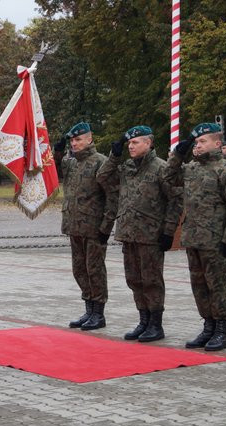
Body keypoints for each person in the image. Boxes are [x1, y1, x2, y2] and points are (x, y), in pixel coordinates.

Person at [97, 126, 183, 342]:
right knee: (134, 279)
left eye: (135, 142)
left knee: (152, 280)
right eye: (129, 143)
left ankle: (156, 324)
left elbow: (175, 200)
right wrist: (114, 157)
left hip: (151, 235)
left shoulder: (161, 168)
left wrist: (169, 231)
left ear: (149, 143)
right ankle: (143, 320)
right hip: (129, 233)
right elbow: (103, 177)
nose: (130, 146)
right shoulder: (127, 167)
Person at [165, 123, 226, 351]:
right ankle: (208, 326)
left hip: (215, 241)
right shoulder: (190, 168)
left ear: (217, 144)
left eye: (202, 141)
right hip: (193, 239)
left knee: (218, 286)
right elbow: (168, 178)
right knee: (199, 286)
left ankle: (221, 330)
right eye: (196, 142)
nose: (197, 146)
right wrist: (177, 156)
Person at [57, 122, 118, 331]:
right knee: (79, 270)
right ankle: (89, 308)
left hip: (94, 227)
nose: (74, 143)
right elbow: (53, 167)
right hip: (74, 225)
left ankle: (98, 313)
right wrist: (56, 150)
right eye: (72, 140)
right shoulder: (72, 164)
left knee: (95, 270)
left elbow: (112, 196)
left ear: (89, 139)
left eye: (78, 139)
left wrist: (106, 226)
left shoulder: (101, 162)